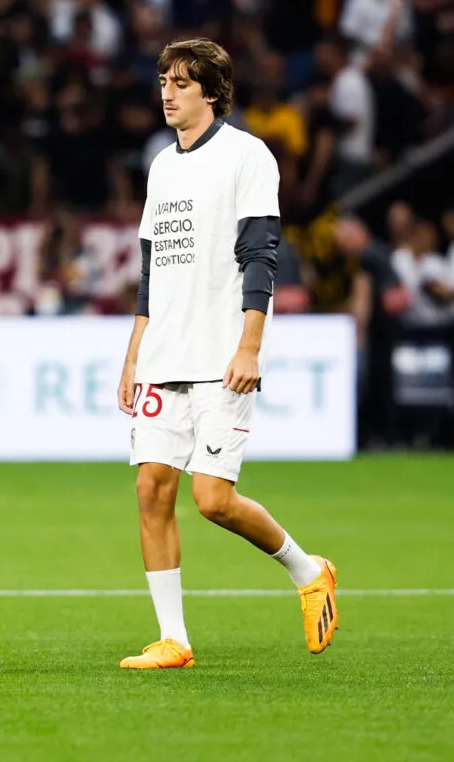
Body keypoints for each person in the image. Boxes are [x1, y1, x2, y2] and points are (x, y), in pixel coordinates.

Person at [116, 37, 339, 670]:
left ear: (212, 91)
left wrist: (250, 345)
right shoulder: (162, 165)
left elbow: (260, 256)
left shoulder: (248, 157)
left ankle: (309, 569)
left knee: (212, 499)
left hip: (221, 357)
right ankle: (174, 639)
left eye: (181, 82)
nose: (167, 91)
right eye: (162, 79)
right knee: (151, 490)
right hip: (164, 353)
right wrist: (134, 355)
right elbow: (150, 270)